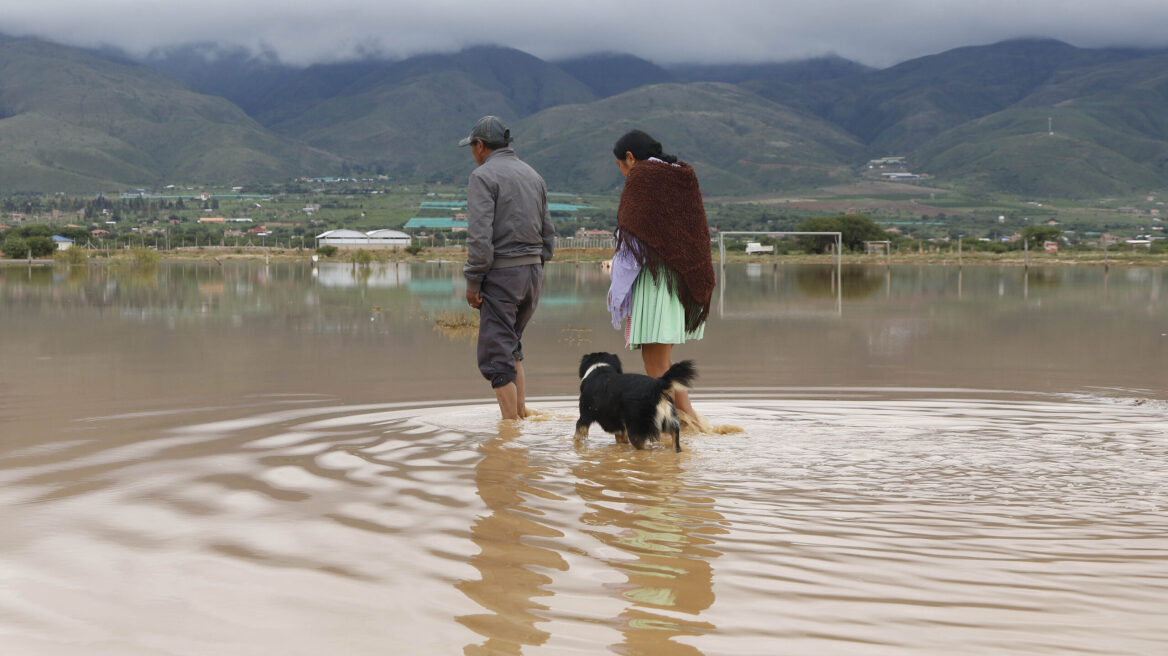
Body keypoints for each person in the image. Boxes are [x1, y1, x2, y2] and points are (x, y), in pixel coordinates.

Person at [606, 130, 715, 428]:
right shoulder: (681, 175)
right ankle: (690, 421)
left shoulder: (643, 177)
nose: (624, 174)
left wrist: (617, 283)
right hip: (678, 282)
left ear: (630, 157)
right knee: (665, 362)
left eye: (620, 166)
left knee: (654, 363)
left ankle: (669, 426)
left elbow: (634, 241)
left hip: (654, 282)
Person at [460, 115, 556, 420]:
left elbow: (479, 237)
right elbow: (548, 234)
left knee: (495, 356)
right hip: (532, 274)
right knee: (511, 347)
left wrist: (473, 282)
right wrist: (535, 268)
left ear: (479, 146)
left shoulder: (483, 177)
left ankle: (510, 436)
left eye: (472, 148)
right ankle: (521, 419)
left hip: (503, 275)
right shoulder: (533, 175)